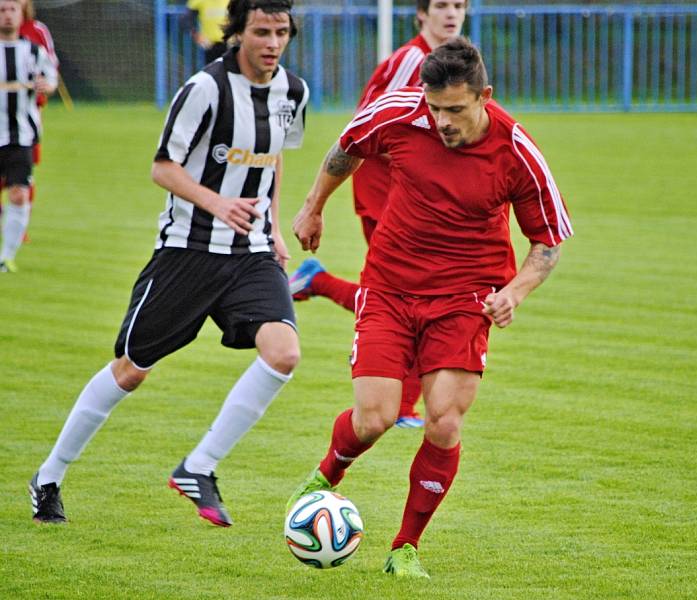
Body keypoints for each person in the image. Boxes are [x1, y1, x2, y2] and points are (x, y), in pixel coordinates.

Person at [288, 37, 572, 578]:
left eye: (456, 110)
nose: (442, 121)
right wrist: (313, 207)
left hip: (465, 297)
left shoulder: (517, 152)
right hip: (389, 286)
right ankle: (326, 476)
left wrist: (514, 292)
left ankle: (405, 548)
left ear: (485, 96)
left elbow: (548, 244)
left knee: (442, 420)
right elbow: (346, 147)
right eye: (435, 107)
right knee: (375, 418)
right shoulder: (400, 114)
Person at [28, 0, 309, 527]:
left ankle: (199, 466)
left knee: (284, 352)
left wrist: (270, 226)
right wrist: (217, 202)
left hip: (249, 254)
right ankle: (49, 475)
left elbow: (274, 162)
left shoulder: (293, 91)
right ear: (237, 33)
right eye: (262, 32)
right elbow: (163, 169)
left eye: (281, 32)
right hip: (187, 252)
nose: (272, 43)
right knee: (131, 371)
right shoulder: (205, 89)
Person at [288, 0, 468, 428]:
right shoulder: (413, 60)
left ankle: (318, 280)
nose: (451, 14)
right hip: (385, 184)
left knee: (414, 292)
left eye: (458, 5)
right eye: (441, 5)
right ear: (421, 15)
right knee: (401, 293)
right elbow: (377, 126)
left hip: (414, 190)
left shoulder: (449, 62)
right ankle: (403, 406)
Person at [0, 0, 56, 273]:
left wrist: (48, 85)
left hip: (20, 136)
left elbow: (51, 78)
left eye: (12, 10)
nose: (8, 15)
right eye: (2, 10)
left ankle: (6, 256)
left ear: (22, 13)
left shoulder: (33, 51)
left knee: (19, 194)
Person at [184, 0, 228, 65]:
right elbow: (185, 20)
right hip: (210, 45)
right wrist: (196, 35)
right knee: (213, 72)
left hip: (231, 45)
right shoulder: (198, 1)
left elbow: (242, 16)